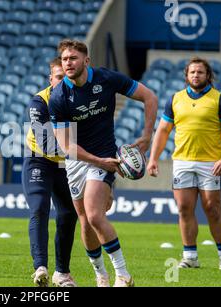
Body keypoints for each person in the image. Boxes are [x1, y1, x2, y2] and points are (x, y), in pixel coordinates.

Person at [49, 39, 158, 287]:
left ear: (86, 61)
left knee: (96, 216)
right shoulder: (58, 97)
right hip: (79, 160)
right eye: (65, 59)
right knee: (85, 222)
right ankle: (101, 275)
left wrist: (147, 136)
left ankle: (123, 275)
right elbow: (68, 147)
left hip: (105, 154)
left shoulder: (106, 79)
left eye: (73, 58)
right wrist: (99, 161)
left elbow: (150, 97)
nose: (68, 63)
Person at [147, 57, 221, 270]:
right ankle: (190, 257)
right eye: (192, 72)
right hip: (182, 163)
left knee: (212, 209)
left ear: (208, 75)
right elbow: (162, 131)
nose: (196, 75)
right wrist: (152, 159)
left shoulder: (220, 99)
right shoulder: (175, 99)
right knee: (184, 208)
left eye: (200, 72)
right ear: (186, 75)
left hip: (210, 164)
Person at [23, 57, 78, 287]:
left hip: (67, 164)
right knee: (39, 208)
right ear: (50, 79)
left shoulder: (80, 99)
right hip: (40, 160)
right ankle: (41, 268)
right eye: (58, 77)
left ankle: (62, 274)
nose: (62, 81)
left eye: (66, 78)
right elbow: (47, 145)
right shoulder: (40, 101)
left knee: (68, 215)